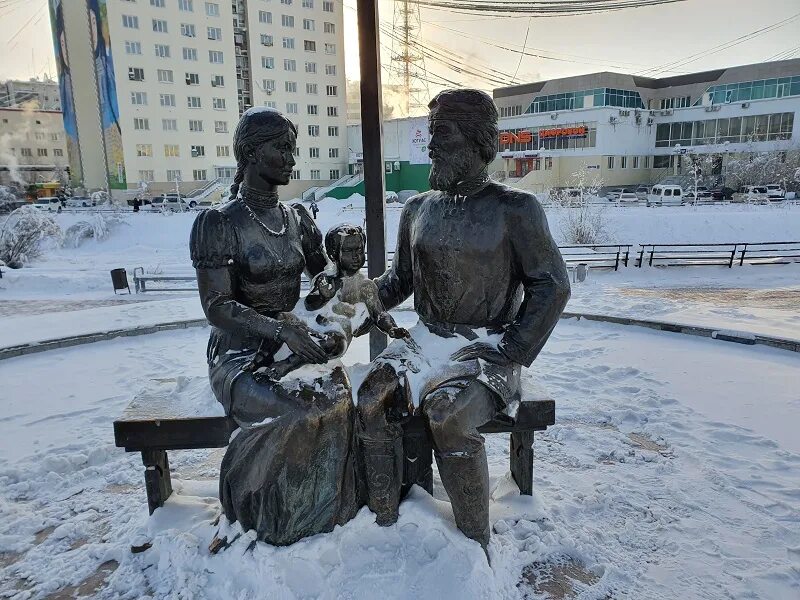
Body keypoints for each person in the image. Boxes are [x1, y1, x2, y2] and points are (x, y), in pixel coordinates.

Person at [356, 89, 570, 554]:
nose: (431, 146)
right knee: (369, 399)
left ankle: (473, 543)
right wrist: (361, 300)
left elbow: (552, 286)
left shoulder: (516, 210)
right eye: (430, 134)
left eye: (441, 134)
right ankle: (384, 526)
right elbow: (399, 282)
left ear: (476, 141)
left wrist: (513, 348)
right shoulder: (417, 210)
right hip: (423, 343)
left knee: (447, 416)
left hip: (487, 349)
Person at [189, 107, 362, 547]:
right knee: (300, 410)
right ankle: (259, 508)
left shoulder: (297, 217)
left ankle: (319, 510)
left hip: (294, 346)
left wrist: (327, 283)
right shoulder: (219, 222)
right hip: (242, 355)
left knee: (340, 403)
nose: (291, 158)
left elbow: (322, 272)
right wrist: (281, 330)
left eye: (293, 148)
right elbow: (217, 306)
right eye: (281, 148)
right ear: (250, 152)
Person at [247, 223, 409, 382]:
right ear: (333, 254)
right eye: (348, 251)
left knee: (334, 343)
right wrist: (322, 296)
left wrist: (392, 329)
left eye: (359, 250)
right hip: (309, 326)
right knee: (281, 318)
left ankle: (287, 364)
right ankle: (261, 359)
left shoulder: (365, 286)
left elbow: (379, 314)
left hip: (333, 335)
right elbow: (309, 305)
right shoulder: (325, 279)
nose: (355, 256)